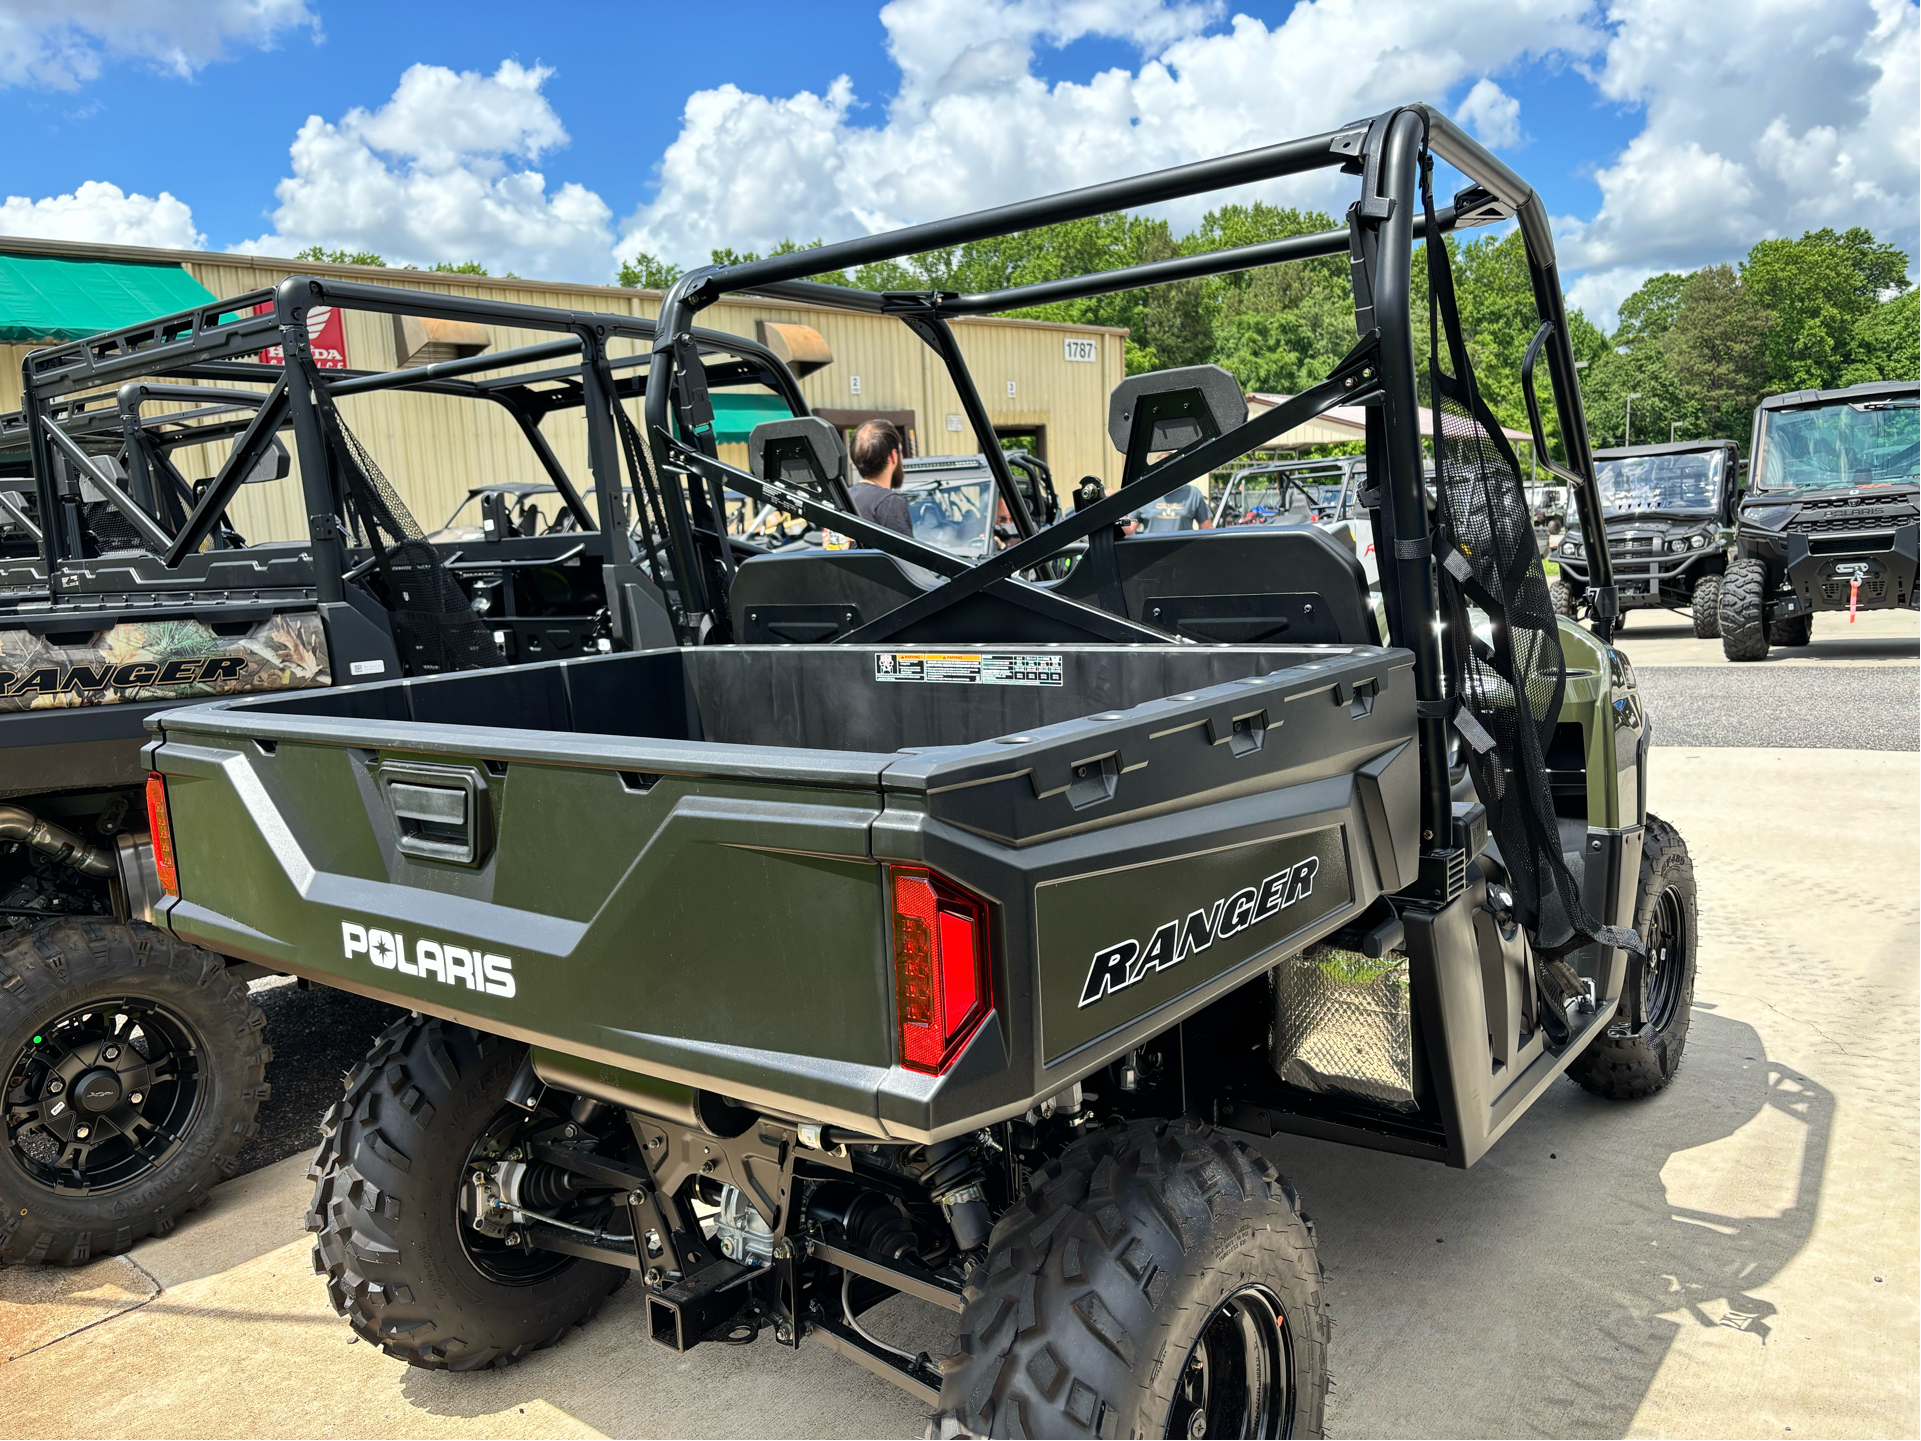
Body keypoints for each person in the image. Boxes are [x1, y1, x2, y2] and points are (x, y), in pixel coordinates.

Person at [847, 420, 913, 536]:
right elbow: (906, 553)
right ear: (893, 456)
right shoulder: (889, 502)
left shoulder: (843, 498)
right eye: (900, 451)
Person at [1125, 482, 1214, 534]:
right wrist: (1113, 510)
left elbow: (1207, 529)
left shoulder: (1193, 493)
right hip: (1151, 557)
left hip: (1183, 557)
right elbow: (1128, 529)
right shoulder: (1143, 494)